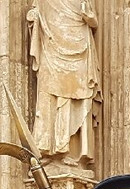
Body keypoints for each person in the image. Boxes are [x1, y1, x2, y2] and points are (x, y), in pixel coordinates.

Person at [27, 0, 101, 166]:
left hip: (78, 46)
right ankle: (46, 148)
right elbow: (34, 13)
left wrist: (89, 18)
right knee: (48, 95)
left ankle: (64, 148)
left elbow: (93, 20)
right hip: (52, 46)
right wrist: (34, 17)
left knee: (71, 98)